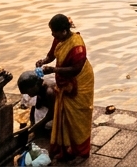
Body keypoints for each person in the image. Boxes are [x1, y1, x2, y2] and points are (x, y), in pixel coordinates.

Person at [36, 14, 94, 161]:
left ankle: (81, 151)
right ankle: (67, 149)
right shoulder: (59, 39)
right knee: (63, 117)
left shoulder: (77, 45)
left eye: (53, 31)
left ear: (63, 31)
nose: (52, 34)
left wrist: (54, 70)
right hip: (64, 82)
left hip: (80, 82)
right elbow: (51, 55)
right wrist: (42, 62)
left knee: (77, 118)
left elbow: (76, 69)